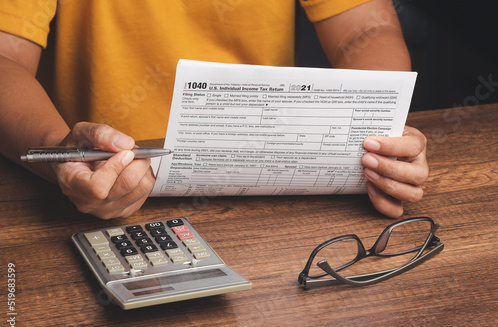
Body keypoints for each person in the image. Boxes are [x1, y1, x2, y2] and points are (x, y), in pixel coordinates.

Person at [0, 0, 428, 219]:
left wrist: (382, 130)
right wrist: (60, 155)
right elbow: (6, 59)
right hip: (101, 198)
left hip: (274, 191)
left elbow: (367, 26)